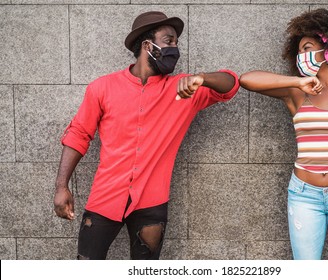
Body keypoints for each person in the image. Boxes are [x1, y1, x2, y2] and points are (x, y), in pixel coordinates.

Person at [53, 11, 239, 260]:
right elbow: (78, 134)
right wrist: (61, 186)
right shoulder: (102, 87)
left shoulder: (183, 88)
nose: (175, 48)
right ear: (147, 45)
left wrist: (203, 79)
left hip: (152, 204)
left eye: (176, 43)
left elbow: (232, 84)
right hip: (104, 198)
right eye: (169, 41)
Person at [239, 6, 328, 260]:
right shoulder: (297, 93)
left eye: (306, 48)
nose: (300, 56)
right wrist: (296, 81)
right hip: (304, 195)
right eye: (299, 50)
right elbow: (247, 79)